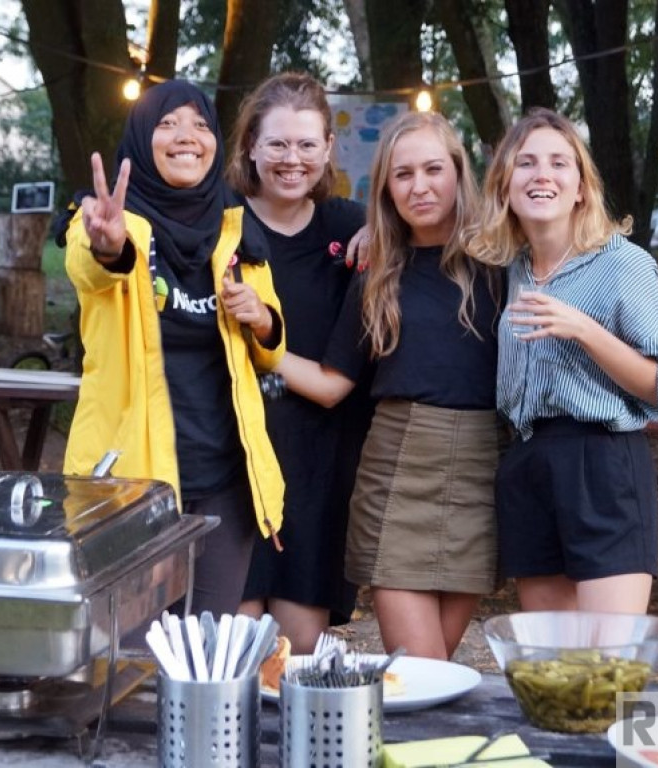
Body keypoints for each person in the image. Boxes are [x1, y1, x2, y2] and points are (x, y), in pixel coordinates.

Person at [274, 111, 505, 660]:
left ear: (458, 172)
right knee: (423, 667)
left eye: (432, 169)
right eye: (402, 175)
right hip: (398, 468)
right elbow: (332, 384)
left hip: (482, 469)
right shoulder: (377, 270)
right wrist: (261, 346)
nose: (419, 186)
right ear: (385, 188)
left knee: (440, 670)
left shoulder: (503, 260)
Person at [58, 80, 286, 617]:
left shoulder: (236, 226)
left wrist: (261, 320)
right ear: (141, 139)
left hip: (226, 480)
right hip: (132, 485)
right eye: (167, 124)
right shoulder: (107, 219)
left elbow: (273, 347)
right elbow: (90, 270)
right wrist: (107, 245)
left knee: (205, 654)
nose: (187, 137)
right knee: (129, 659)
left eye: (201, 125)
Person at [464, 107, 658, 614]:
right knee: (553, 665)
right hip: (527, 463)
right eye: (526, 163)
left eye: (560, 163)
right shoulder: (510, 269)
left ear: (582, 187)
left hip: (601, 462)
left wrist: (583, 329)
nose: (543, 175)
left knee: (606, 666)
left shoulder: (623, 264)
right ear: (505, 185)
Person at [226, 72, 372, 653]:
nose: (293, 159)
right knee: (231, 653)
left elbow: (442, 231)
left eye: (307, 144)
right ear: (251, 149)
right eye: (278, 144)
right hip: (232, 463)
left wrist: (386, 238)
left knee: (297, 655)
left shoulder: (353, 226)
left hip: (317, 467)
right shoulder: (220, 225)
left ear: (328, 150)